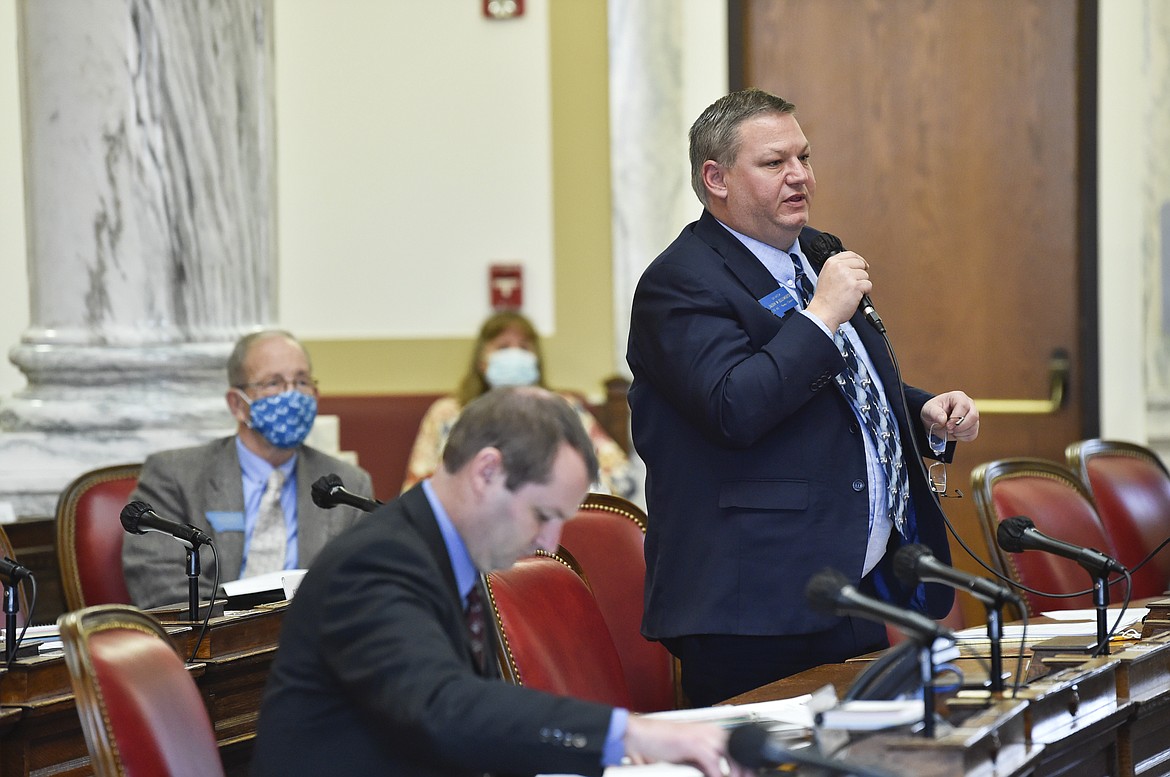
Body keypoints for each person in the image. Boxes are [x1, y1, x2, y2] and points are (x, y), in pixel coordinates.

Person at [626, 88, 981, 706]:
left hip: (847, 586)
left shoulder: (816, 252)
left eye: (805, 157)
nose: (801, 177)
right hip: (751, 607)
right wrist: (819, 317)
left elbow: (844, 384)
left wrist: (919, 411)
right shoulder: (678, 282)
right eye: (774, 163)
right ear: (716, 178)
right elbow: (736, 406)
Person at [250, 387, 744, 777]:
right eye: (543, 514)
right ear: (486, 471)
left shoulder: (451, 556)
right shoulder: (376, 564)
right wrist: (628, 735)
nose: (550, 545)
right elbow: (442, 708)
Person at [122, 329, 374, 609]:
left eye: (302, 382)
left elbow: (360, 589)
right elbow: (164, 590)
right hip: (214, 644)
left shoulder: (348, 486)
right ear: (237, 404)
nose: (292, 396)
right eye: (273, 383)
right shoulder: (175, 475)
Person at [403, 310, 636, 499]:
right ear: (482, 361)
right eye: (503, 347)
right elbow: (415, 491)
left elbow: (622, 476)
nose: (514, 354)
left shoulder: (564, 409)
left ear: (535, 360)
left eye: (524, 347)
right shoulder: (447, 414)